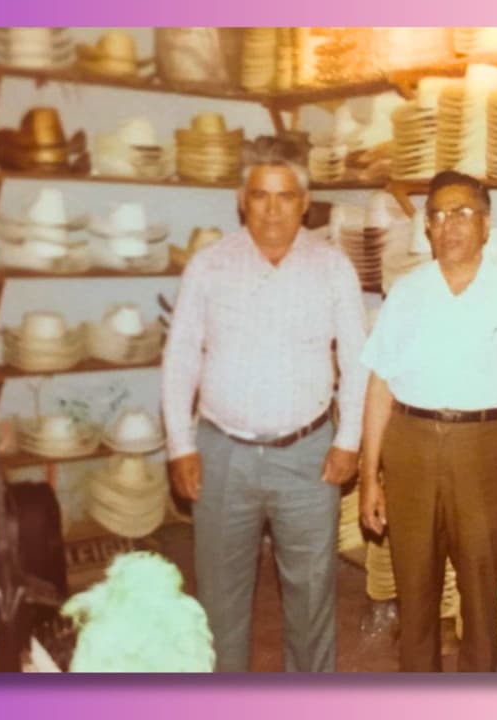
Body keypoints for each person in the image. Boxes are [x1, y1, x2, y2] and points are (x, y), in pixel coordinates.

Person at [160, 143, 368, 672]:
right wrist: (181, 444)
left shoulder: (333, 267)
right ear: (240, 200)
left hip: (308, 455)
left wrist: (349, 442)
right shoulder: (209, 266)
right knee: (220, 598)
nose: (272, 210)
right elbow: (180, 354)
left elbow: (357, 358)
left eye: (285, 196)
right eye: (260, 196)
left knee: (312, 593)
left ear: (306, 202)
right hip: (221, 452)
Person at [357, 170, 497, 672]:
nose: (450, 224)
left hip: (484, 450)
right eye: (439, 215)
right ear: (426, 228)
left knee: (480, 590)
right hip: (410, 448)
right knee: (415, 589)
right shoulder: (405, 293)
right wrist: (368, 477)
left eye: (463, 212)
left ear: (486, 225)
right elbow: (379, 385)